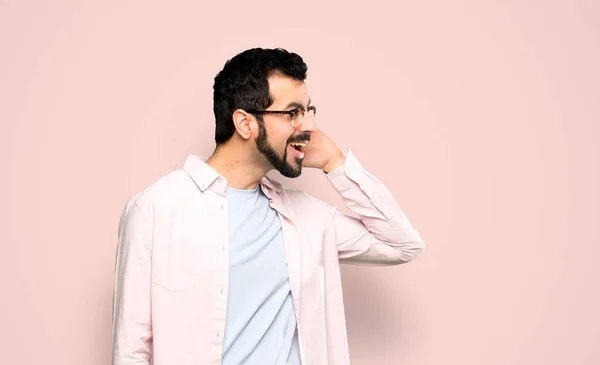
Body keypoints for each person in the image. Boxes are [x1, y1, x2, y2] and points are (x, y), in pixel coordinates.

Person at [111, 47, 425, 365]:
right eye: (292, 113)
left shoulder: (307, 218)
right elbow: (132, 351)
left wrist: (336, 164)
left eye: (308, 110)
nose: (309, 127)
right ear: (245, 124)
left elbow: (402, 244)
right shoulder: (155, 209)